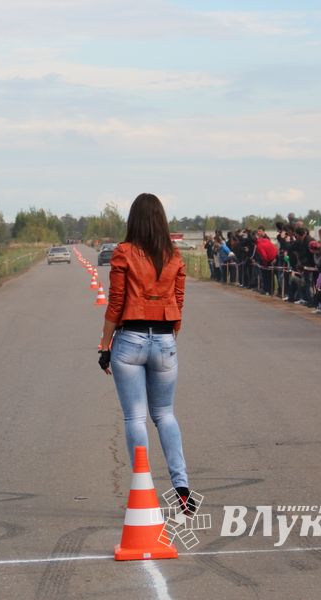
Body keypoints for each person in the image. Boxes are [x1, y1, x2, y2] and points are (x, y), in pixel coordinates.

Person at [97, 193, 191, 507]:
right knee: (165, 414)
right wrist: (170, 337)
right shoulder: (174, 255)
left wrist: (105, 346)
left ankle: (144, 484)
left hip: (130, 340)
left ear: (133, 220)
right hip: (164, 339)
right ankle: (181, 485)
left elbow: (116, 303)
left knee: (135, 417)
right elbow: (178, 301)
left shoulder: (123, 252)